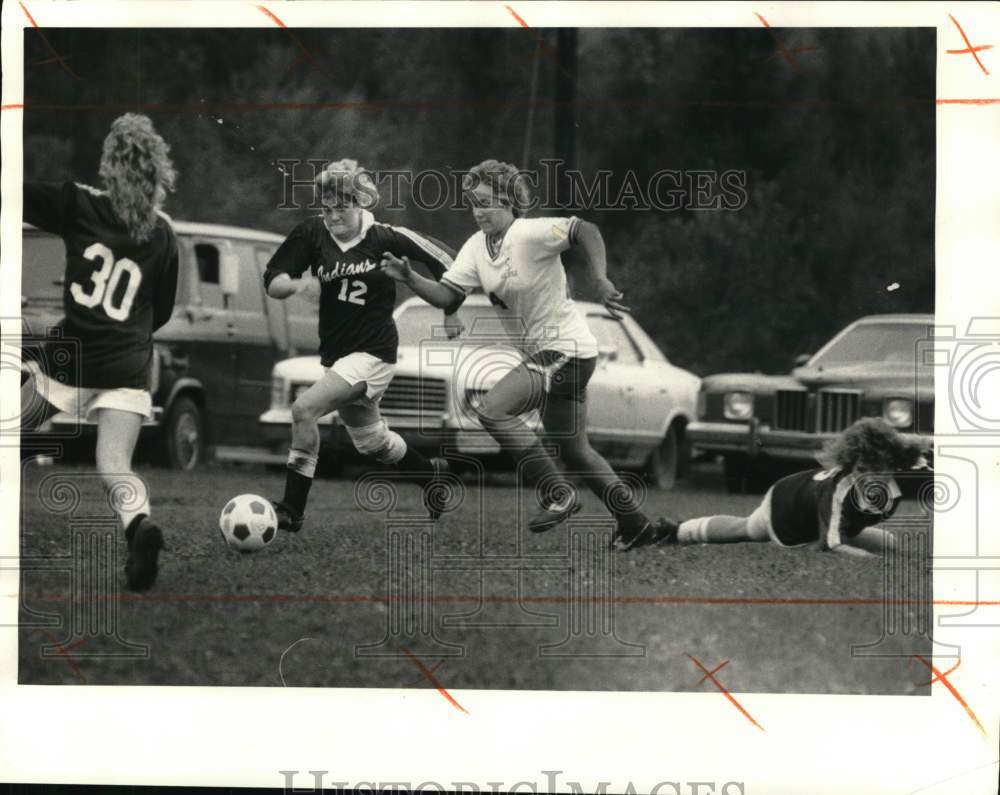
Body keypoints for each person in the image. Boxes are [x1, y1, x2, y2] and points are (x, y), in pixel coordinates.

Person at [380, 158, 676, 551]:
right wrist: (411, 278)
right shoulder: (475, 246)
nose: (478, 210)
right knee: (576, 450)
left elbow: (585, 229)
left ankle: (558, 493)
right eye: (473, 201)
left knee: (491, 409)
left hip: (565, 349)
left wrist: (600, 279)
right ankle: (636, 525)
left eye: (486, 202)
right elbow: (448, 295)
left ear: (509, 202)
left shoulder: (529, 232)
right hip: (557, 355)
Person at [21, 113, 180, 592]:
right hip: (129, 365)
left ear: (109, 165)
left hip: (71, 357)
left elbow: (15, 190)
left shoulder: (78, 204)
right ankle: (139, 525)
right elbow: (163, 311)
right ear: (158, 171)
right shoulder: (165, 233)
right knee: (115, 466)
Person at [263, 159, 460, 532]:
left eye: (342, 205)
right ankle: (432, 479)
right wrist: (296, 285)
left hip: (374, 353)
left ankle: (292, 509)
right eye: (327, 207)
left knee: (304, 410)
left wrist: (451, 308)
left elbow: (447, 259)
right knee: (372, 442)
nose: (333, 215)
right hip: (338, 356)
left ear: (359, 202)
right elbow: (273, 279)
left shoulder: (384, 236)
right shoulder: (311, 234)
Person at [667, 418, 930, 557]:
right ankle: (676, 531)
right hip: (787, 504)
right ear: (851, 463)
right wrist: (871, 561)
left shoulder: (903, 475)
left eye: (880, 468)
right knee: (747, 529)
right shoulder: (839, 490)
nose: (871, 477)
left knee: (891, 543)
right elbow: (834, 547)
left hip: (829, 517)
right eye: (864, 469)